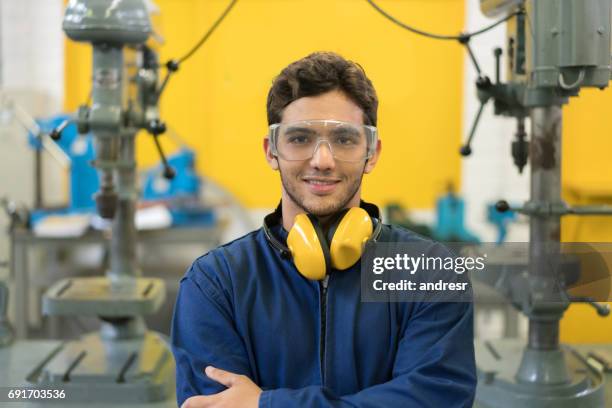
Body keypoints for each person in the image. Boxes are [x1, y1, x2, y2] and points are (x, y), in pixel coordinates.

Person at [171, 51, 476, 408]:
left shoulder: (428, 271)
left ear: (372, 153)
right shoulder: (215, 283)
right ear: (272, 151)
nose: (323, 160)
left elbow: (434, 399)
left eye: (345, 140)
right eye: (300, 138)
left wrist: (266, 404)